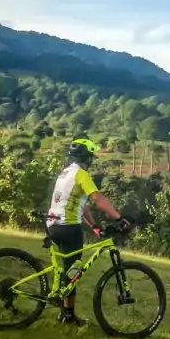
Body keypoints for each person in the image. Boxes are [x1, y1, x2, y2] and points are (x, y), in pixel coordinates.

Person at [46, 137, 130, 326]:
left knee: (67, 270)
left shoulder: (65, 173)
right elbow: (97, 199)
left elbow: (81, 205)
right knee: (73, 272)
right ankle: (68, 316)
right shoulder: (81, 174)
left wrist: (94, 226)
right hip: (68, 227)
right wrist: (118, 217)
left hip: (53, 225)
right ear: (88, 158)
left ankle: (65, 313)